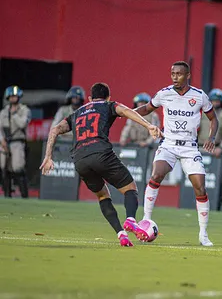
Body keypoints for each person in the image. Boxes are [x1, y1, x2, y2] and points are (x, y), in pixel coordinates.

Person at [40, 82, 162, 247]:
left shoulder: (76, 113)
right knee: (130, 188)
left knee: (103, 196)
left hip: (80, 159)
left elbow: (54, 130)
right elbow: (126, 111)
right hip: (101, 153)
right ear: (108, 97)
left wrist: (48, 156)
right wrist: (148, 125)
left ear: (90, 98)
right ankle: (131, 220)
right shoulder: (108, 105)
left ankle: (121, 235)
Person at [134, 61, 219, 247]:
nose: (174, 77)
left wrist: (211, 138)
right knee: (156, 175)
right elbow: (147, 109)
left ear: (187, 75)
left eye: (179, 74)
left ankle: (203, 234)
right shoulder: (164, 93)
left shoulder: (199, 96)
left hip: (190, 147)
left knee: (200, 188)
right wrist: (125, 113)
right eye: (172, 73)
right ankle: (146, 220)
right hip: (168, 144)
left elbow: (214, 119)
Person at [0, 86, 31, 198]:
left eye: (15, 96)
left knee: (17, 167)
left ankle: (24, 195)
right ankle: (7, 194)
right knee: (4, 167)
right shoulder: (3, 112)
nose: (13, 98)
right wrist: (1, 140)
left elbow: (23, 124)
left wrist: (14, 115)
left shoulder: (24, 110)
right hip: (4, 142)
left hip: (17, 141)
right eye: (11, 96)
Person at [198, 88, 222, 157]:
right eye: (214, 100)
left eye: (218, 101)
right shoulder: (202, 112)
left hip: (214, 149)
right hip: (198, 147)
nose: (216, 102)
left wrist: (221, 147)